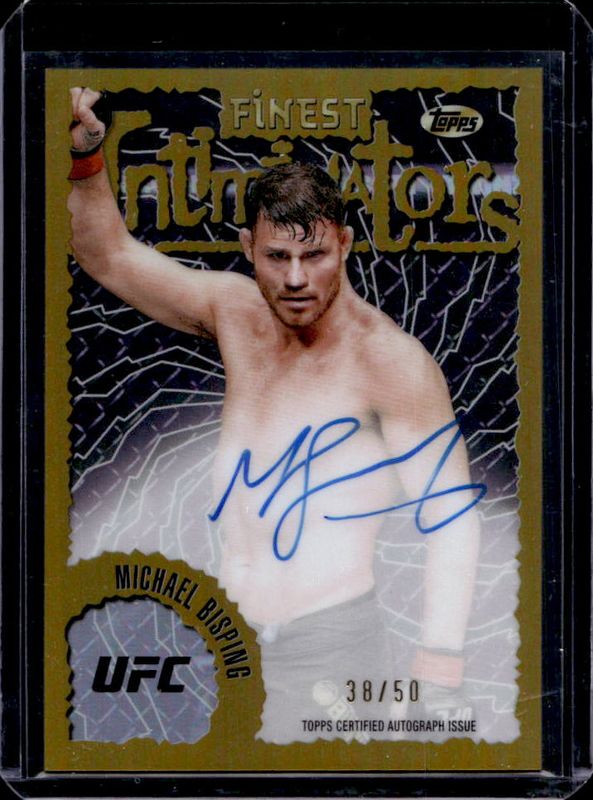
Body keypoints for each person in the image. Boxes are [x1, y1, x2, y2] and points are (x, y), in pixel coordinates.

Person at [68, 87, 482, 743]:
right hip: (223, 638)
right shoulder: (236, 314)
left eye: (313, 256)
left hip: (329, 646)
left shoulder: (389, 362)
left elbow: (452, 518)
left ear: (344, 244)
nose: (294, 279)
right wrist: (86, 157)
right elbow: (108, 255)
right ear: (247, 248)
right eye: (276, 257)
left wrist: (439, 669)